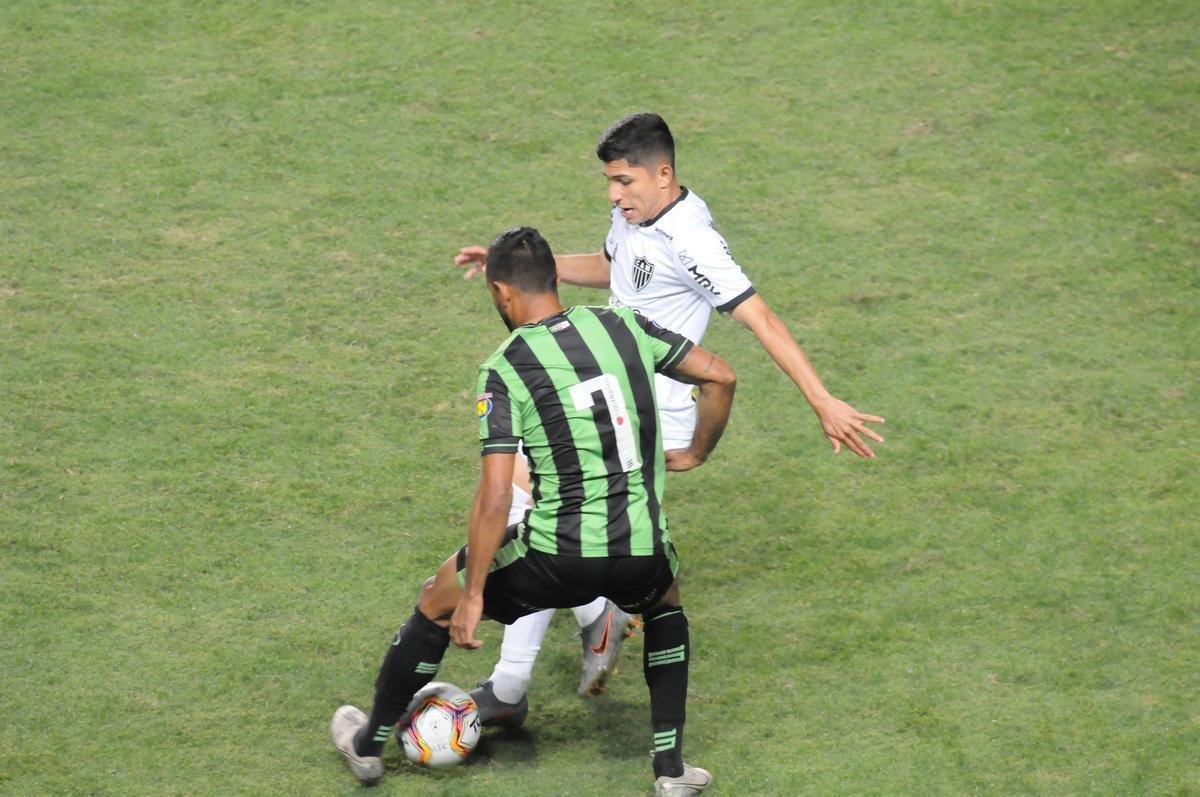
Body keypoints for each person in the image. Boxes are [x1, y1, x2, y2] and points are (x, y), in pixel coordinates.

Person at [454, 112, 885, 724]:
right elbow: (614, 269)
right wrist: (520, 274)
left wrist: (821, 399)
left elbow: (760, 319)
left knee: (527, 496)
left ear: (663, 174)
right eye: (609, 181)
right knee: (541, 505)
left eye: (624, 182)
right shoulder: (633, 217)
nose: (613, 194)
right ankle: (555, 647)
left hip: (651, 405)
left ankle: (528, 670)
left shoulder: (693, 241)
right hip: (614, 388)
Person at [331, 227, 736, 795]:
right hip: (642, 548)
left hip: (556, 558)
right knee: (666, 604)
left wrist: (471, 597)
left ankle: (368, 746)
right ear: (553, 277)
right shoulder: (621, 324)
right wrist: (696, 451)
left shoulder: (506, 366)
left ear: (502, 292)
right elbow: (721, 375)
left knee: (435, 598)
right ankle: (670, 770)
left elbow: (497, 494)